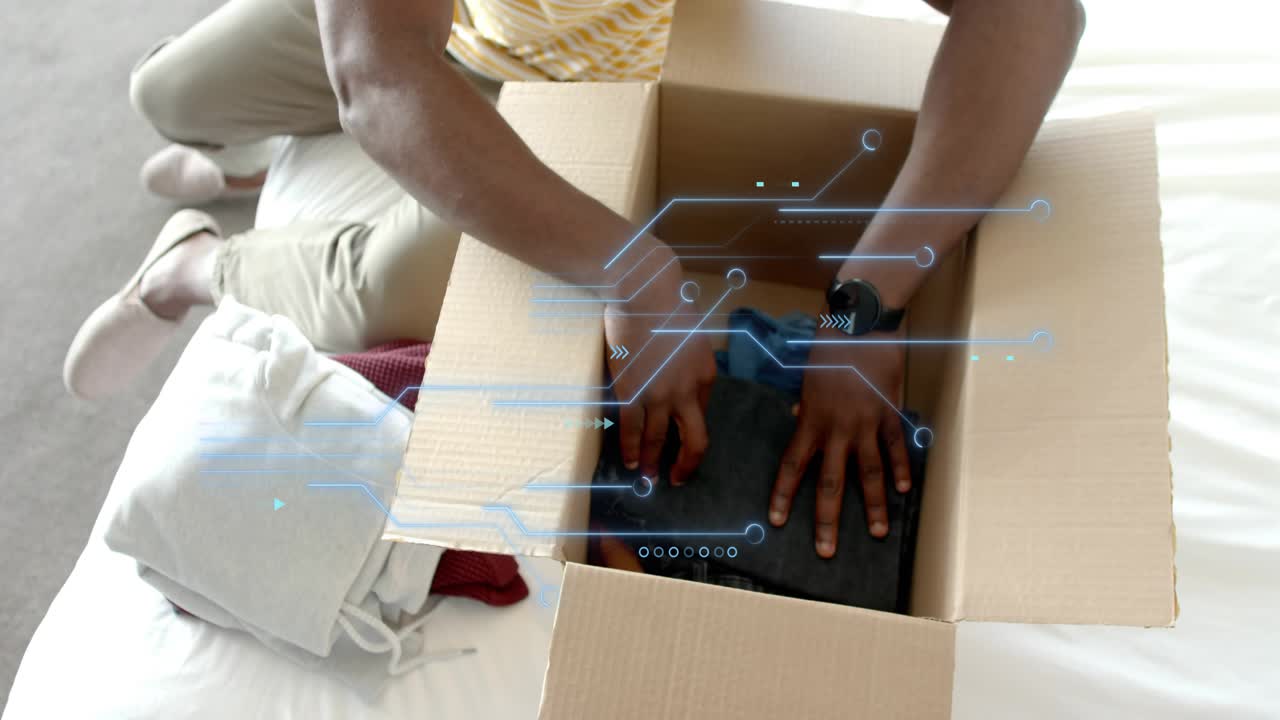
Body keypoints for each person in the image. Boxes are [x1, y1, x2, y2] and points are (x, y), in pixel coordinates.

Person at [64, 0, 1085, 559]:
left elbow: (1032, 16)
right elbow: (375, 72)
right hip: (430, 30)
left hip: (573, 87)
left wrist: (866, 306)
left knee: (392, 288)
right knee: (169, 92)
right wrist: (641, 279)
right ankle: (247, 168)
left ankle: (191, 268)